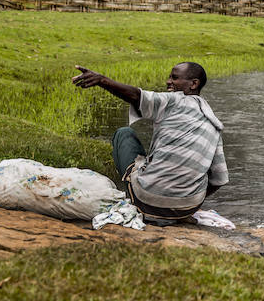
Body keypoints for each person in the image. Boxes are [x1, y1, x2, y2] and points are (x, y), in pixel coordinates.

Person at [72, 62, 228, 223]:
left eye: (174, 78)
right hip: (186, 209)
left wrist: (101, 80)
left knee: (124, 134)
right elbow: (219, 180)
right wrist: (185, 199)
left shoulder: (176, 100)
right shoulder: (214, 124)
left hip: (147, 202)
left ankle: (139, 200)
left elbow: (137, 96)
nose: (168, 81)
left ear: (193, 84)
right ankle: (173, 207)